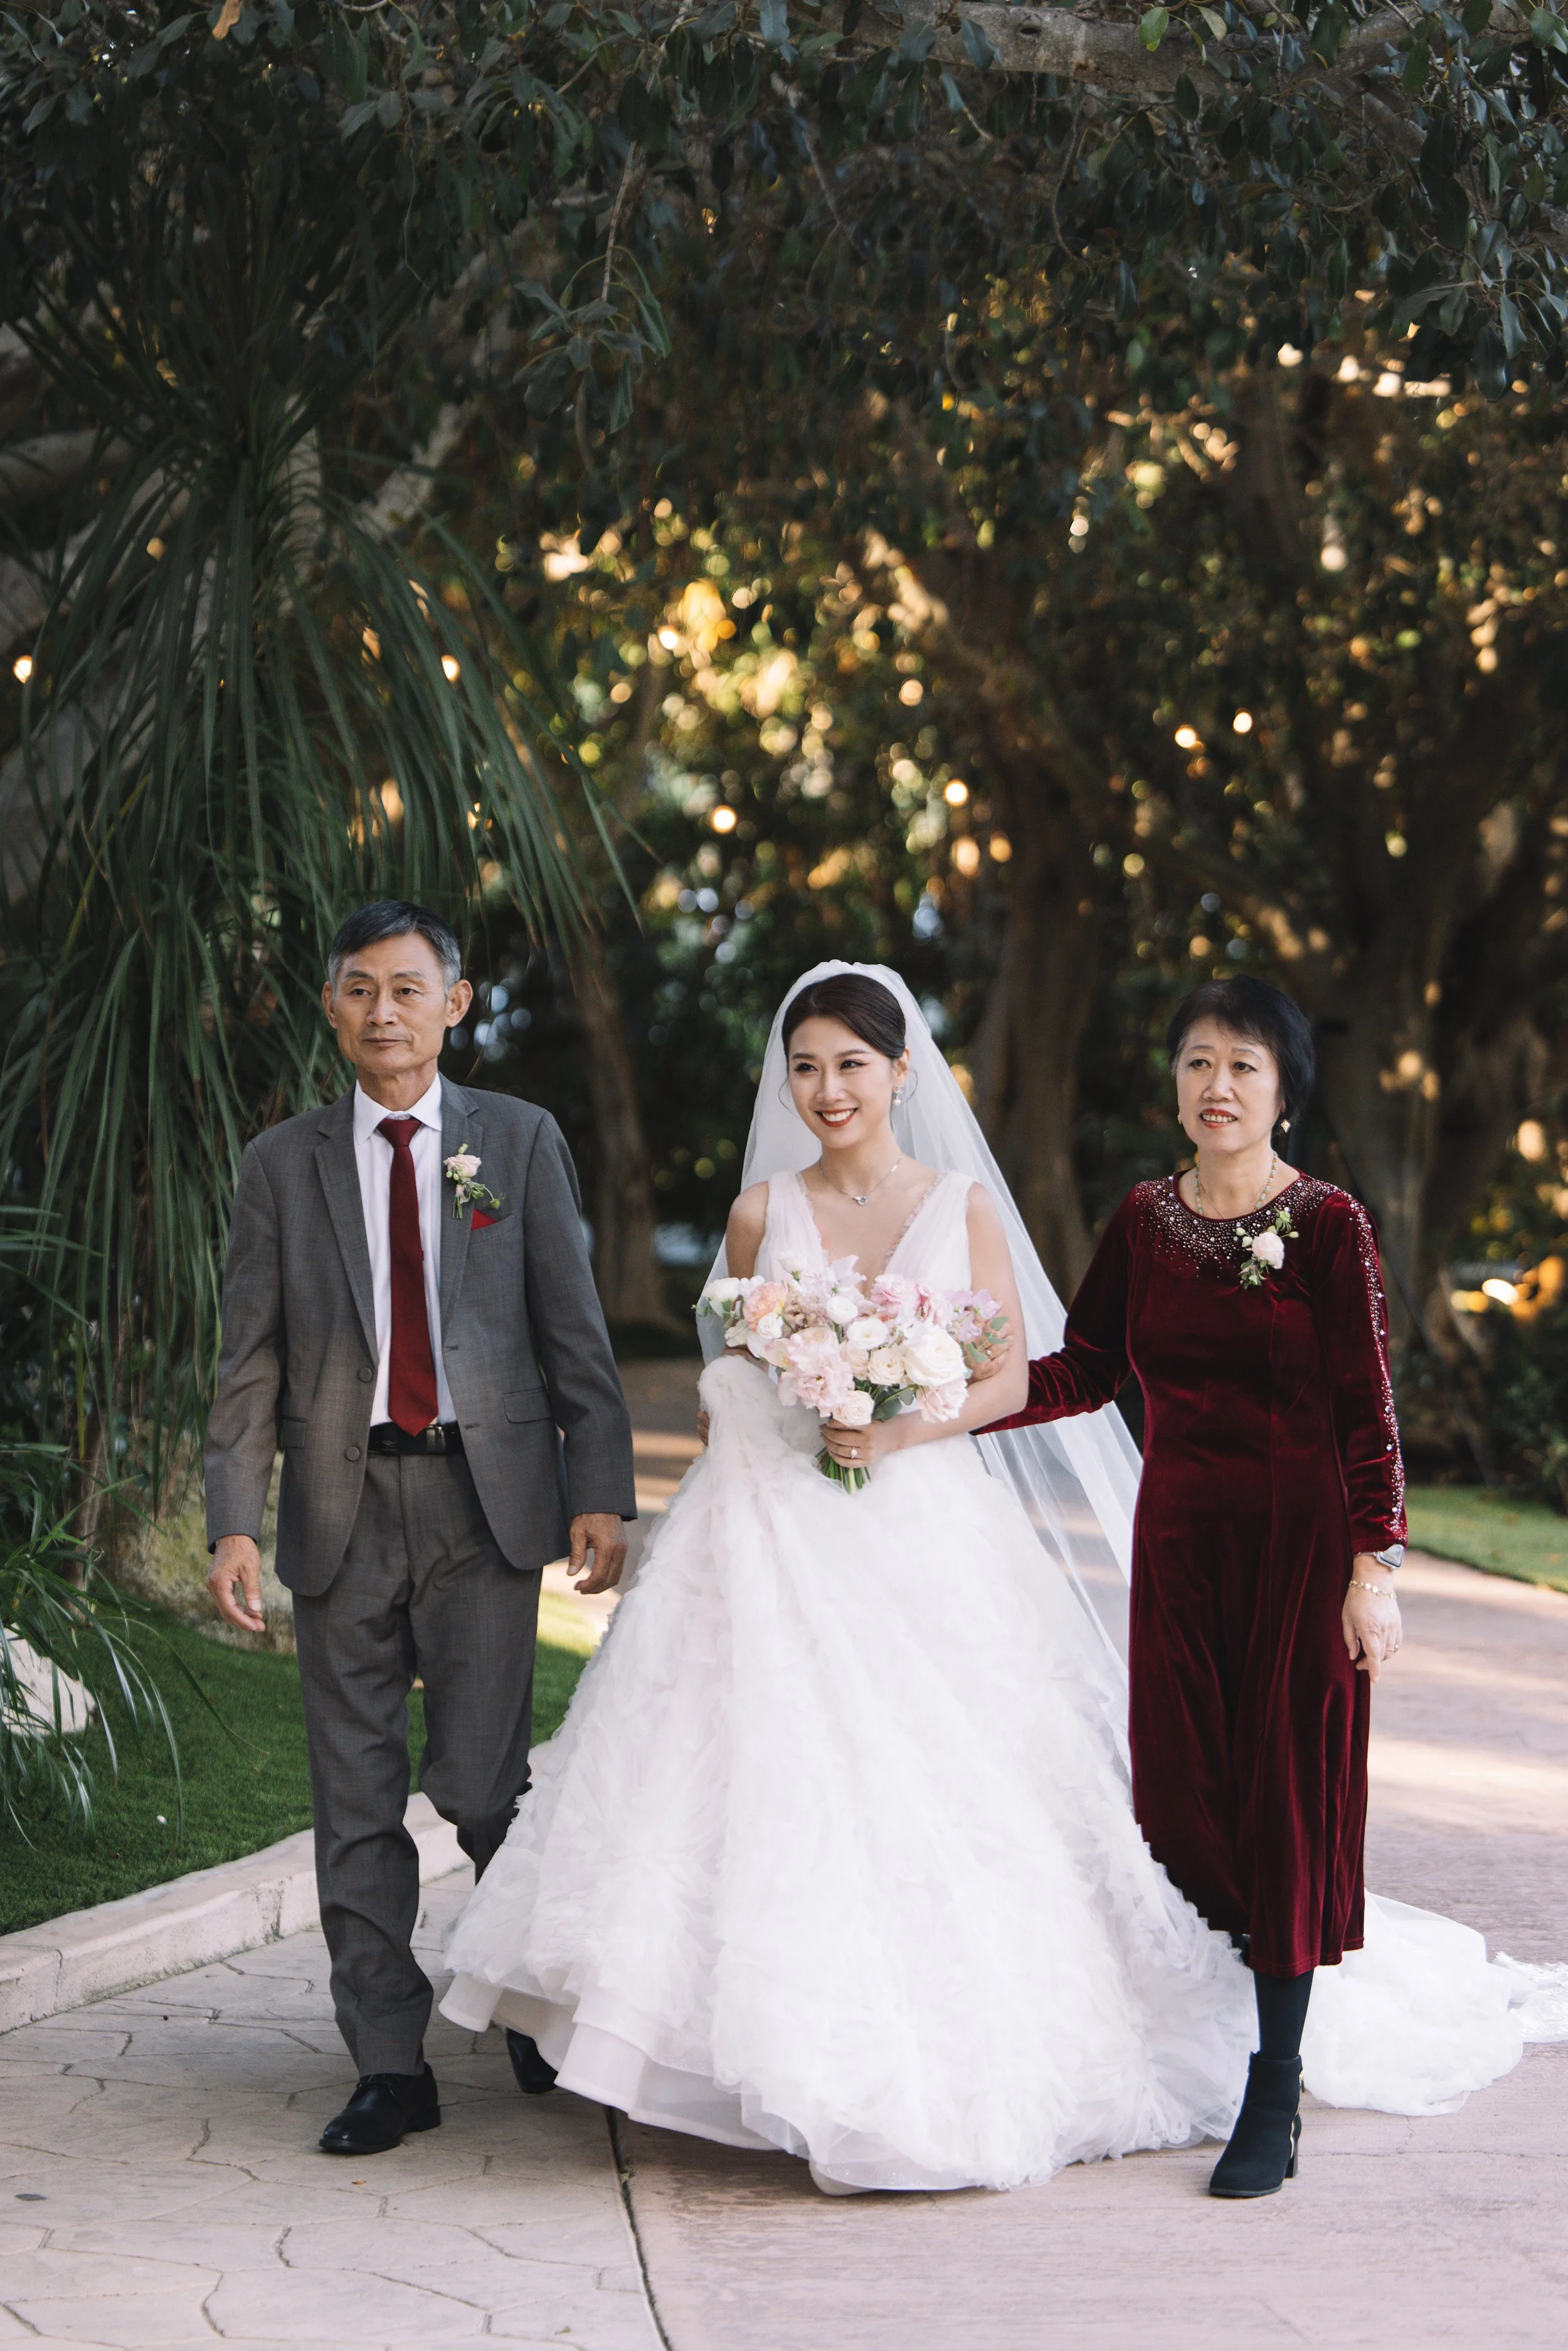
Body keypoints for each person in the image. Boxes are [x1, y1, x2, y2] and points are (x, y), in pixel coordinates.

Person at [204, 900, 635, 2158]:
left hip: (486, 1501)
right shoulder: (279, 1163)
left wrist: (596, 1486)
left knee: (484, 1784)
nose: (380, 1010)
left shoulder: (516, 1139)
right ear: (329, 1003)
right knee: (353, 1800)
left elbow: (574, 1329)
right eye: (356, 988)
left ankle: (522, 1986)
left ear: (456, 1000)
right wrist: (236, 1519)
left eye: (406, 987)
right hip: (340, 1511)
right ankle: (388, 2061)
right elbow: (248, 1365)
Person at [982, 975, 1408, 2195]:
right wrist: (939, 1409)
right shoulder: (1141, 1216)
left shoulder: (1327, 1223)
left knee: (1278, 1797)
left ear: (1281, 1089)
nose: (1215, 1086)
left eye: (1242, 1066)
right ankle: (1225, 2003)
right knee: (1174, 1795)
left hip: (1297, 1549)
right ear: (1172, 1081)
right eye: (1196, 1063)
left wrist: (1370, 1568)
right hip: (1173, 1541)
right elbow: (1088, 1364)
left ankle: (1270, 2085)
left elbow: (1364, 1408)